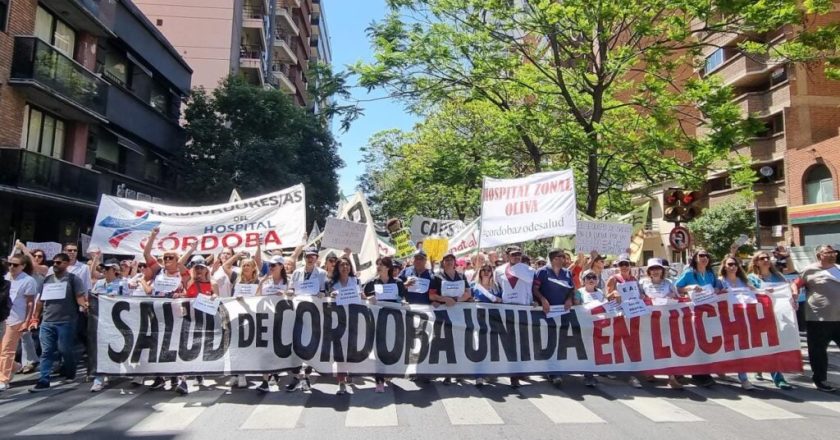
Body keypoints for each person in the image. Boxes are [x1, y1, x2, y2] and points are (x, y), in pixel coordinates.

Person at [27, 253, 87, 392]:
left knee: (64, 349)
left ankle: (70, 371)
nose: (55, 265)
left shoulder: (73, 279)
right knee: (47, 351)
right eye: (53, 262)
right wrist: (35, 317)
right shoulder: (47, 280)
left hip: (66, 321)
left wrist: (84, 306)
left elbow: (79, 297)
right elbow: (41, 301)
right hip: (47, 321)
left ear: (66, 264)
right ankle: (44, 379)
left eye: (58, 262)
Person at [794, 245, 840, 392]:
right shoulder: (810, 270)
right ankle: (820, 380)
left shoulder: (838, 269)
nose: (832, 254)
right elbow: (795, 284)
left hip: (839, 318)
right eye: (828, 252)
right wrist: (794, 294)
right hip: (818, 319)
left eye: (833, 252)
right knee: (818, 352)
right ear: (819, 255)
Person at [675, 249, 723, 388]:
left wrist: (718, 290)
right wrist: (689, 287)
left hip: (709, 312)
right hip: (694, 312)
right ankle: (698, 373)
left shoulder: (710, 274)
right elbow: (677, 288)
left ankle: (704, 370)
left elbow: (717, 287)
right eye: (701, 255)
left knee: (707, 340)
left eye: (707, 255)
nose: (704, 258)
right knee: (697, 341)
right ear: (695, 258)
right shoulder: (690, 273)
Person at [747, 251, 794, 390]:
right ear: (756, 262)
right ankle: (777, 376)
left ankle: (764, 369)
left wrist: (787, 256)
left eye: (767, 258)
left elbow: (791, 271)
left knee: (776, 345)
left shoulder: (777, 276)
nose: (766, 260)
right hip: (761, 316)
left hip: (779, 314)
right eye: (762, 258)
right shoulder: (752, 278)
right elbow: (750, 293)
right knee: (768, 345)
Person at [285, 247, 327, 392]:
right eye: (308, 256)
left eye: (313, 256)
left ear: (316, 258)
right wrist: (290, 292)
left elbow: (323, 290)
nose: (310, 259)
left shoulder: (322, 273)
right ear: (305, 257)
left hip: (314, 313)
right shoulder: (297, 272)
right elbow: (291, 288)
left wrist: (322, 293)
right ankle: (297, 377)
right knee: (296, 344)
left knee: (310, 345)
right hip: (298, 312)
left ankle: (306, 378)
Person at [363, 257, 407, 392]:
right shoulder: (371, 283)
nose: (378, 266)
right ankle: (379, 380)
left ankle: (388, 372)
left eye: (381, 264)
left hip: (394, 321)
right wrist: (367, 298)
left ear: (388, 267)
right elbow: (361, 296)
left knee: (392, 349)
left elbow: (403, 297)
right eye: (377, 264)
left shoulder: (398, 283)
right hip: (377, 321)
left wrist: (403, 302)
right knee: (379, 350)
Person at [532, 248, 574, 387]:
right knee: (548, 340)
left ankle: (558, 370)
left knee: (561, 339)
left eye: (564, 257)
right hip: (547, 312)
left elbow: (571, 289)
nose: (563, 259)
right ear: (554, 258)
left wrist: (569, 299)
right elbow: (535, 289)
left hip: (563, 312)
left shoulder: (567, 272)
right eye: (560, 257)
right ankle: (549, 369)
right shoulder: (542, 271)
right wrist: (543, 300)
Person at [638, 258, 682, 389]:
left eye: (658, 268)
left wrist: (673, 296)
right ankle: (650, 372)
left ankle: (671, 377)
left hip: (666, 320)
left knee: (668, 347)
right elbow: (638, 298)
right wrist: (643, 298)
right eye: (652, 269)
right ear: (649, 271)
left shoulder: (669, 283)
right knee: (650, 346)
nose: (655, 271)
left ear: (662, 270)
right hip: (648, 320)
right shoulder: (642, 283)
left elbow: (677, 298)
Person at [717, 254, 758, 390]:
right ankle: (721, 369)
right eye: (729, 264)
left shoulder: (744, 280)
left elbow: (755, 293)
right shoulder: (721, 281)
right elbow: (714, 296)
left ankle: (744, 378)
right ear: (724, 266)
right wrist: (720, 293)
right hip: (726, 318)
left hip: (743, 318)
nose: (733, 267)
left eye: (735, 264)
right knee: (727, 347)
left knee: (740, 348)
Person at [494, 245, 533, 388]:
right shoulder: (498, 271)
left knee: (523, 342)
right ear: (507, 255)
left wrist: (532, 301)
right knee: (510, 343)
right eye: (513, 254)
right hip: (507, 310)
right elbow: (497, 288)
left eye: (519, 254)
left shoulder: (528, 270)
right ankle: (513, 375)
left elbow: (530, 287)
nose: (516, 257)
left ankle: (520, 370)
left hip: (523, 310)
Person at [430, 252, 471, 385]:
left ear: (455, 262)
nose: (448, 262)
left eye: (451, 259)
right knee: (446, 343)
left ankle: (459, 372)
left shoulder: (461, 275)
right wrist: (444, 299)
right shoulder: (437, 276)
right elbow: (431, 295)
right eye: (446, 260)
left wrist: (456, 299)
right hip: (444, 314)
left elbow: (468, 293)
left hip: (459, 313)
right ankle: (447, 373)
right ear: (442, 262)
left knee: (460, 343)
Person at [89, 259, 129, 392]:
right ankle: (99, 378)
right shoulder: (99, 283)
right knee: (100, 348)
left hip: (117, 322)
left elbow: (129, 301)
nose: (104, 271)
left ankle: (116, 371)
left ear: (114, 270)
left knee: (117, 348)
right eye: (103, 269)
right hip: (100, 321)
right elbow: (93, 297)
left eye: (107, 269)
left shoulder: (122, 284)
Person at [605, 255, 644, 389]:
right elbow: (607, 296)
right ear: (618, 266)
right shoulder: (613, 279)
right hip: (619, 315)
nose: (624, 267)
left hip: (634, 314)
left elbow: (641, 295)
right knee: (618, 341)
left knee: (633, 342)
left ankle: (632, 373)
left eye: (626, 264)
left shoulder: (634, 279)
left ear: (630, 265)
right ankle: (614, 368)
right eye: (621, 264)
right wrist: (614, 294)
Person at [326, 256, 363, 395]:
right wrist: (331, 295)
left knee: (351, 349)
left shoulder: (356, 281)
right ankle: (341, 382)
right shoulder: (331, 283)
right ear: (337, 268)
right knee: (339, 352)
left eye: (347, 264)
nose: (345, 267)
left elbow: (362, 296)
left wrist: (363, 296)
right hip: (337, 321)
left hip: (353, 320)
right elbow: (325, 298)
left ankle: (350, 373)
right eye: (341, 265)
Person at [0, 255, 38, 391]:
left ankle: (4, 379)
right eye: (10, 264)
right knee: (2, 350)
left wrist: (27, 321)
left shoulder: (28, 280)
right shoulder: (5, 278)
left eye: (15, 265)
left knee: (7, 350)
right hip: (2, 317)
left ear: (23, 266)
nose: (11, 267)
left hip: (16, 318)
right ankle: (15, 366)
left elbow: (30, 302)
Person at [574, 269, 617, 387]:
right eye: (588, 277)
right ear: (583, 280)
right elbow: (577, 305)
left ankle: (602, 370)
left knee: (599, 349)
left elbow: (606, 306)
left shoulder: (600, 292)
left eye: (594, 277)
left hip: (600, 326)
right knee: (588, 350)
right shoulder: (579, 292)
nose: (591, 280)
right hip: (585, 325)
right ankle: (588, 375)